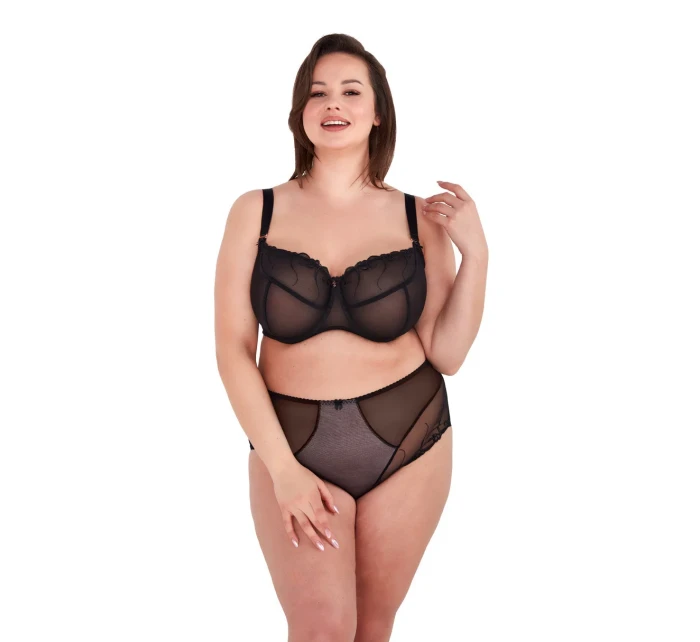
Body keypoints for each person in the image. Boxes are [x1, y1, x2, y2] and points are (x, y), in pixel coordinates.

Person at [215, 33, 488, 642]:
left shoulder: (419, 218)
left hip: (408, 436)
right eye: (317, 93)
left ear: (378, 110)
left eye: (350, 91)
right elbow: (233, 351)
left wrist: (477, 255)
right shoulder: (255, 211)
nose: (332, 104)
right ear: (300, 112)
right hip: (291, 440)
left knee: (372, 628)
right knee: (321, 627)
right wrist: (283, 470)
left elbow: (447, 353)